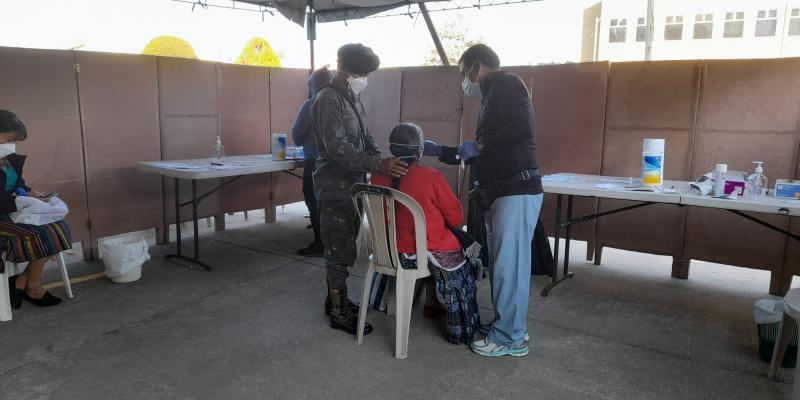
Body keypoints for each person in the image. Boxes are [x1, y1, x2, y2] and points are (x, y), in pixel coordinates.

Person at [426, 44, 543, 357]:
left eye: (464, 73)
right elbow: (479, 150)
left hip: (515, 190)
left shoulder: (507, 84)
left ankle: (510, 339)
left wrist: (478, 144)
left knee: (510, 267)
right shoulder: (493, 94)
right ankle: (509, 326)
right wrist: (442, 151)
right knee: (504, 265)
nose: (464, 81)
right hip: (500, 192)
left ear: (477, 66)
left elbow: (521, 130)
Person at [310, 43, 408, 335]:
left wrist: (381, 159)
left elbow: (365, 137)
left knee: (347, 247)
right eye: (360, 72)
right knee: (338, 252)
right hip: (334, 188)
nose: (363, 78)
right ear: (342, 66)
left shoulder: (350, 96)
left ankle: (334, 300)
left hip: (352, 187)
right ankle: (339, 313)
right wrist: (379, 166)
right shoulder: (327, 99)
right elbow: (338, 148)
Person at [372, 123, 480, 344]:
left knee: (429, 245)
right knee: (454, 251)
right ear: (419, 150)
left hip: (389, 251)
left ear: (392, 148)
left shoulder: (377, 174)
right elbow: (456, 218)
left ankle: (428, 303)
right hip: (418, 253)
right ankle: (446, 314)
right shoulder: (430, 176)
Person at [0, 110, 73, 309]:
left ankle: (24, 281)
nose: (11, 145)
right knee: (45, 233)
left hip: (12, 211)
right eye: (9, 139)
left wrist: (30, 193)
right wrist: (23, 200)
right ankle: (32, 286)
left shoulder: (8, 159)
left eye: (15, 141)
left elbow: (18, 184)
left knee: (58, 226)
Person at [292, 66, 333, 257]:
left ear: (313, 85)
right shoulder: (344, 104)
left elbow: (297, 137)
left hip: (316, 162)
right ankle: (337, 243)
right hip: (341, 163)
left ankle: (320, 243)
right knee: (333, 203)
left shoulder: (310, 105)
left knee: (314, 200)